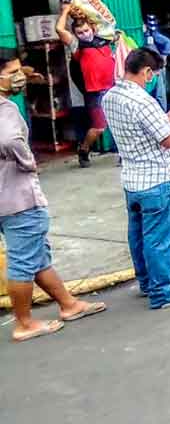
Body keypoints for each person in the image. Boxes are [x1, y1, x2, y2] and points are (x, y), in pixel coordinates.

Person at [1, 49, 107, 341]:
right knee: (24, 259)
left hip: (6, 197)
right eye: (12, 72)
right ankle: (24, 323)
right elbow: (10, 139)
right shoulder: (5, 108)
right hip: (18, 197)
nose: (18, 77)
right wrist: (27, 161)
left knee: (36, 255)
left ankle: (68, 304)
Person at [102, 48, 170, 308]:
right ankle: (162, 293)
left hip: (133, 179)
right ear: (146, 72)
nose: (151, 79)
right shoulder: (143, 101)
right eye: (151, 74)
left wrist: (167, 118)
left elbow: (140, 128)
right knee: (160, 240)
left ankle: (146, 282)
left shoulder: (111, 96)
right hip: (158, 180)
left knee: (139, 236)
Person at [56, 1, 115, 168]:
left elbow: (106, 20)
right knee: (99, 128)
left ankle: (124, 153)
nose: (84, 34)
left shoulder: (104, 38)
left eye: (86, 30)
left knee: (120, 121)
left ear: (93, 29)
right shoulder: (77, 45)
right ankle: (84, 149)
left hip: (112, 87)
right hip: (94, 92)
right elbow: (60, 30)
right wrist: (66, 11)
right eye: (80, 32)